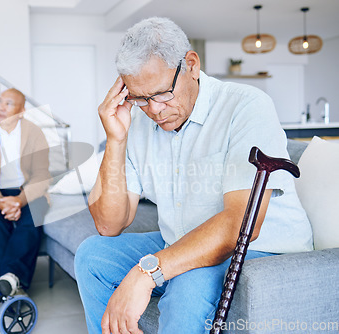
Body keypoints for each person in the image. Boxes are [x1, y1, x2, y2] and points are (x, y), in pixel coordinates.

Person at [74, 17, 313, 334]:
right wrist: (115, 140)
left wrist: (148, 273)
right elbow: (109, 224)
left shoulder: (246, 106)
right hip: (184, 237)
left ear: (191, 64)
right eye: (139, 98)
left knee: (186, 281)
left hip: (259, 247)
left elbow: (240, 225)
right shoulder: (141, 122)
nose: (155, 110)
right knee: (93, 256)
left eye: (162, 93)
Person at [0, 88, 50, 296]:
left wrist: (20, 201)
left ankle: (3, 283)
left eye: (8, 104)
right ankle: (12, 283)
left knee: (33, 215)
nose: (0, 107)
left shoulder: (35, 132)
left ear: (21, 111)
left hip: (26, 190)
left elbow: (41, 175)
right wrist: (0, 201)